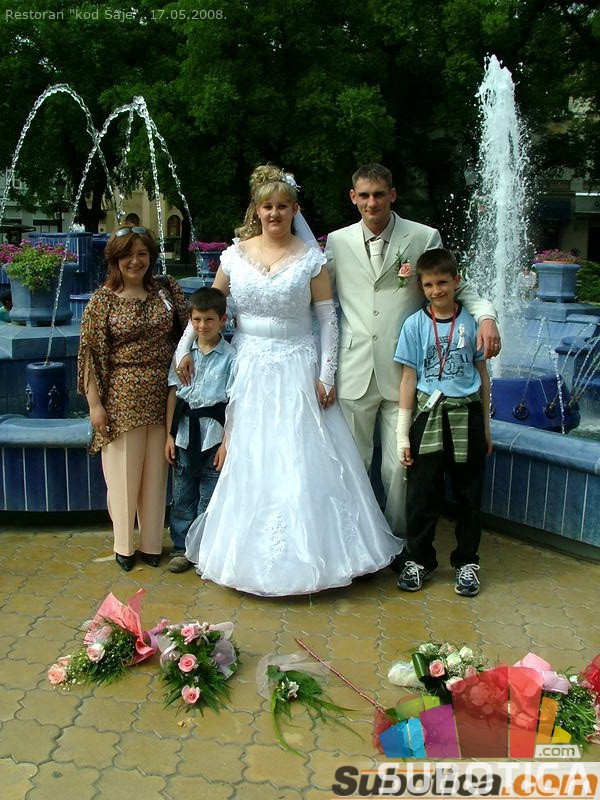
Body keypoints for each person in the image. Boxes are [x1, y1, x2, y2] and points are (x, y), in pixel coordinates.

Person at [175, 164, 402, 596]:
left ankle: (325, 554)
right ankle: (244, 555)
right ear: (257, 210)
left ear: (294, 209)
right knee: (251, 453)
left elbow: (328, 320)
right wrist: (183, 348)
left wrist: (326, 374)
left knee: (301, 454)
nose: (274, 213)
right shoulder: (234, 256)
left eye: (282, 206)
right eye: (267, 207)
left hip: (298, 364)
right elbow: (209, 306)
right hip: (250, 366)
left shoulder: (311, 259)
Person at [325, 163, 500, 539]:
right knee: (352, 464)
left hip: (406, 374)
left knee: (399, 468)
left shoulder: (423, 236)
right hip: (354, 368)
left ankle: (399, 542)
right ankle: (356, 542)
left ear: (393, 195)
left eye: (379, 194)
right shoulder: (337, 242)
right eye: (364, 196)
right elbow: (322, 303)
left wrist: (486, 317)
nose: (372, 203)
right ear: (353, 197)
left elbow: (457, 287)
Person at [77, 225, 188, 571]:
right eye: (127, 255)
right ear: (115, 259)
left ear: (151, 257)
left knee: (156, 474)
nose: (135, 261)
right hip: (121, 396)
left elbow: (189, 333)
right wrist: (95, 405)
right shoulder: (102, 301)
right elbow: (89, 355)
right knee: (123, 476)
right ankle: (124, 546)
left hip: (164, 392)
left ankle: (152, 543)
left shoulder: (166, 290)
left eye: (142, 254)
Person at [394, 248, 492, 596]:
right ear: (421, 287)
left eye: (443, 283)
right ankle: (420, 560)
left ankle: (466, 562)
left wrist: (486, 427)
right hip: (428, 416)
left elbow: (483, 374)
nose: (437, 291)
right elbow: (408, 379)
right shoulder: (415, 325)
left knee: (469, 495)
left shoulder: (472, 323)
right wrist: (402, 435)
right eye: (429, 285)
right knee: (422, 495)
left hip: (466, 414)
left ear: (456, 281)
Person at [165, 287, 235, 573]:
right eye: (196, 320)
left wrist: (226, 443)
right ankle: (182, 548)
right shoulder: (184, 355)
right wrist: (168, 435)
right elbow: (174, 394)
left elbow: (233, 403)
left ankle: (203, 550)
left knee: (209, 496)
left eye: (209, 319)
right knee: (182, 494)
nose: (202, 326)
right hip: (184, 434)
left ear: (223, 320)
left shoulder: (231, 357)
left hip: (213, 436)